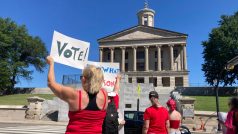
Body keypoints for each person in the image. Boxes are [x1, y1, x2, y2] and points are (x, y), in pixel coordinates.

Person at [46, 56, 108, 134]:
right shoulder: (105, 95)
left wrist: (51, 63)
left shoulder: (75, 95)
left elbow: (50, 83)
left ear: (83, 79)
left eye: (81, 77)